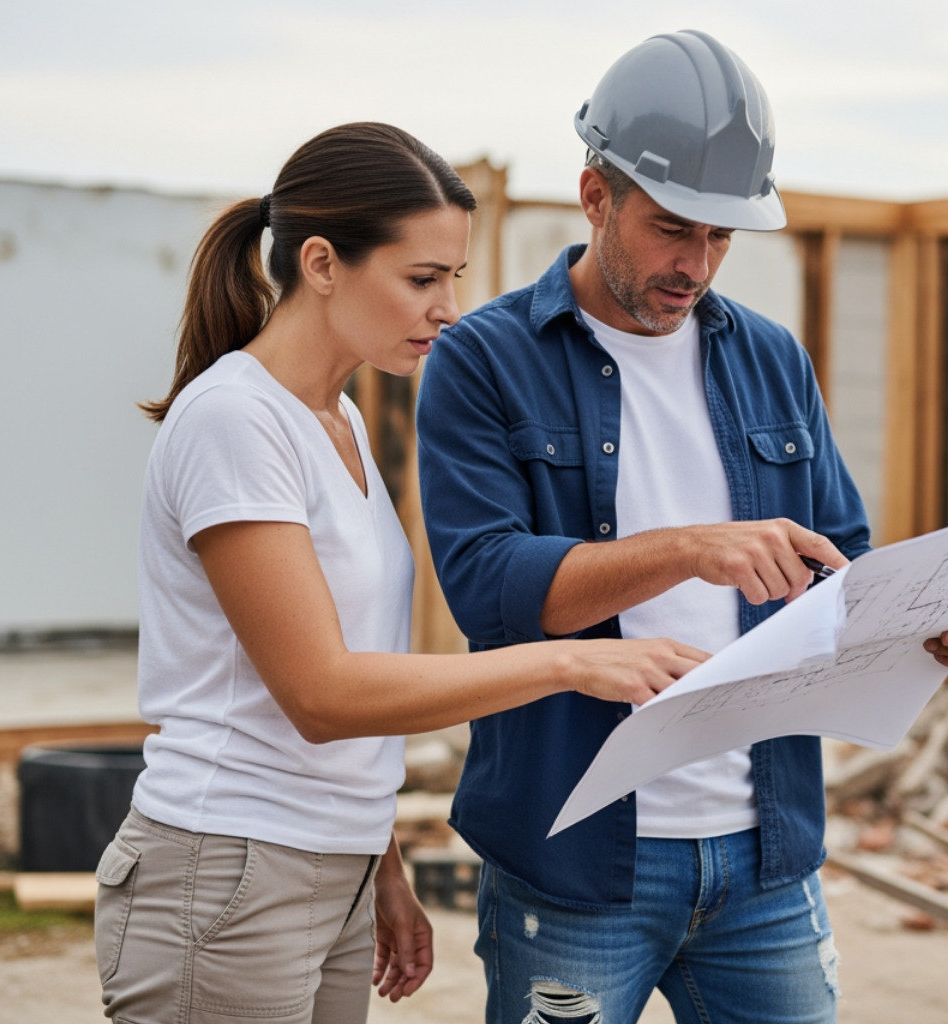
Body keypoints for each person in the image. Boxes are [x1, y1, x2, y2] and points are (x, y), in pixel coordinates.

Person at [416, 32, 948, 1024]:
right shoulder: (484, 359)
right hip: (575, 863)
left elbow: (839, 566)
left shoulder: (771, 359)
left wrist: (934, 622)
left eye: (721, 238)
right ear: (595, 195)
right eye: (671, 229)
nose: (695, 265)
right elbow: (487, 585)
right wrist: (692, 547)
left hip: (765, 863)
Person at [94, 122, 706, 1024]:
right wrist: (574, 661)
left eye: (453, 278)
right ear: (321, 263)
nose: (448, 308)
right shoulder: (233, 420)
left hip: (325, 864)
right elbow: (322, 692)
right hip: (228, 867)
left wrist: (378, 863)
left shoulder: (332, 419)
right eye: (422, 279)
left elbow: (346, 689)